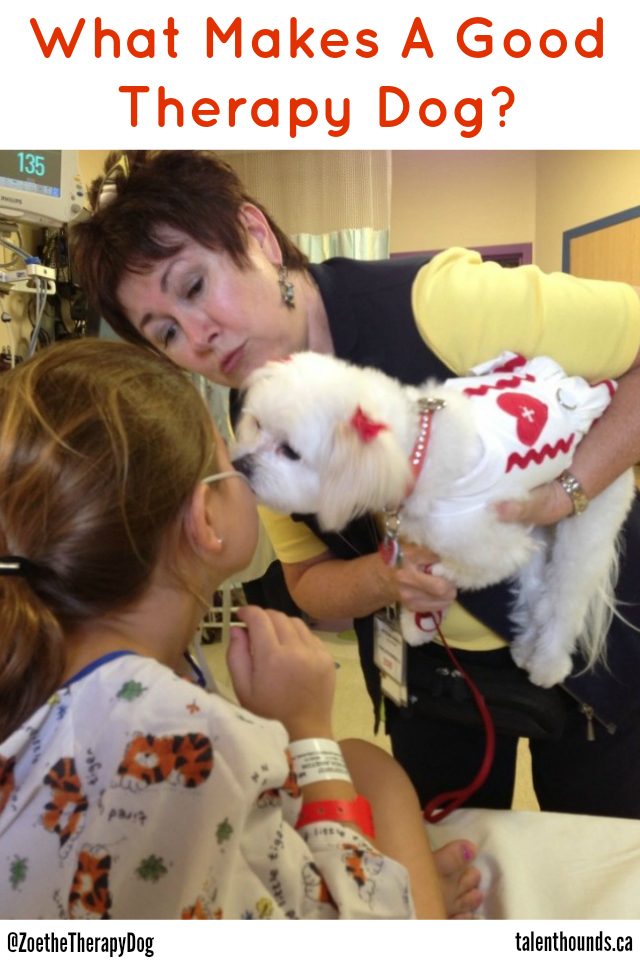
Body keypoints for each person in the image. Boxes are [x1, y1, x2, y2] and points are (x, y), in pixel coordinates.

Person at [70, 150, 640, 819]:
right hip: (433, 680)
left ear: (254, 234)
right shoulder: (254, 421)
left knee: (601, 858)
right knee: (442, 868)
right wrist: (385, 577)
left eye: (193, 286)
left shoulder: (439, 303)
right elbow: (310, 582)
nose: (198, 337)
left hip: (589, 635)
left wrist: (569, 490)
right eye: (165, 332)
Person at [0, 337, 484, 920]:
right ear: (204, 518)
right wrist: (308, 729)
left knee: (367, 762)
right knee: (358, 767)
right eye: (231, 460)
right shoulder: (189, 735)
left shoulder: (53, 655)